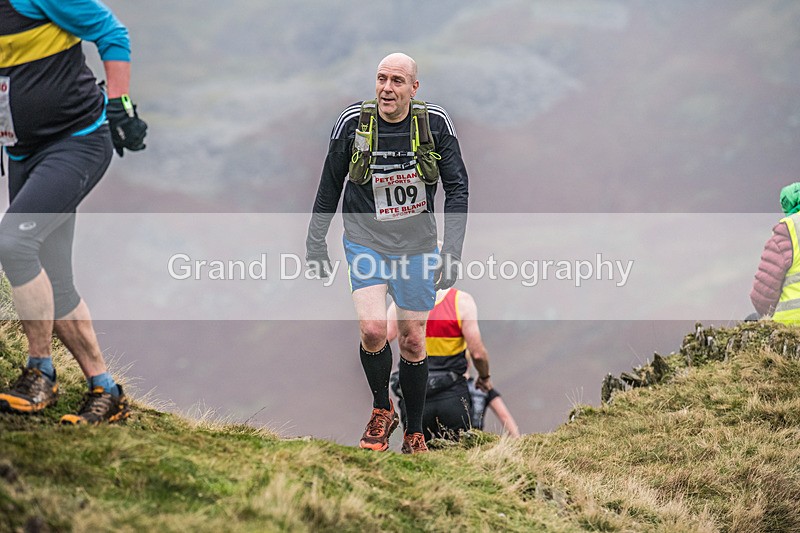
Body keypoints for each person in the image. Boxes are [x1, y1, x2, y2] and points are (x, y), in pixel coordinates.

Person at [306, 53, 468, 454]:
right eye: (381, 79)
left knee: (413, 339)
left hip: (416, 246)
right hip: (365, 239)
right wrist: (315, 242)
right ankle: (382, 409)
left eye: (397, 81)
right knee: (374, 330)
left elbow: (458, 189)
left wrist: (451, 251)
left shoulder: (435, 125)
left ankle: (414, 433)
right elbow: (329, 184)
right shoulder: (352, 125)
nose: (387, 89)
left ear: (414, 88)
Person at [0, 0, 147, 424]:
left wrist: (120, 106)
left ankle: (38, 373)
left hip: (76, 143)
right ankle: (105, 389)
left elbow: (112, 33)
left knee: (15, 242)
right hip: (23, 152)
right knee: (56, 281)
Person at [387, 287, 519, 441]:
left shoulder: (403, 301)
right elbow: (477, 353)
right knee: (458, 456)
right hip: (452, 396)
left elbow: (381, 340)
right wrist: (484, 377)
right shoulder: (461, 301)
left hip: (414, 398)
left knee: (418, 457)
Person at [751, 182, 800, 324]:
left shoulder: (789, 230)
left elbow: (762, 294)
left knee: (751, 320)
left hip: (791, 324)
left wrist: (766, 315)